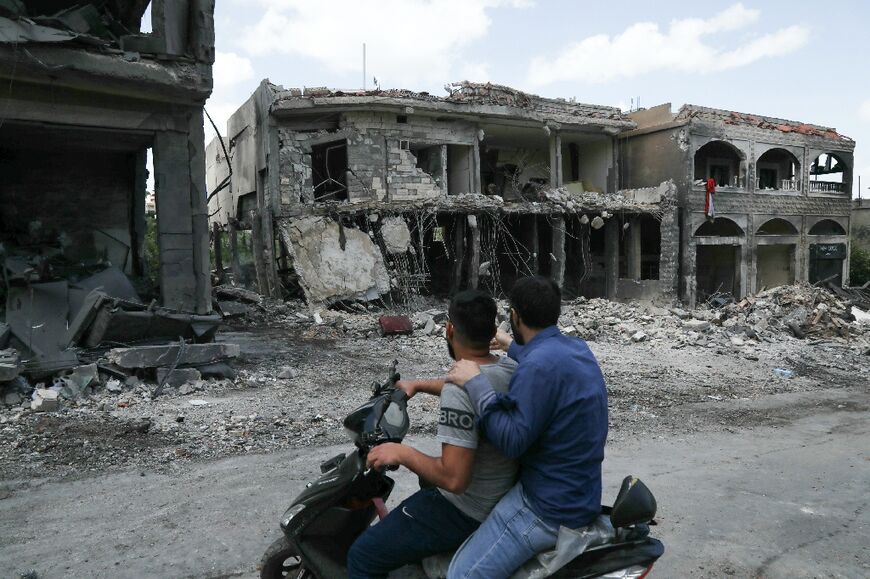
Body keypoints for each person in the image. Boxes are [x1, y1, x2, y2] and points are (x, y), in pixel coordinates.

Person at [346, 290, 519, 579]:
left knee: (363, 556)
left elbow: (454, 479)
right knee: (425, 481)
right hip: (501, 492)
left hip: (467, 509)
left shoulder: (459, 391)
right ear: (492, 330)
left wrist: (402, 453)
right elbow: (470, 387)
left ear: (450, 329)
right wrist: (418, 385)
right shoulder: (509, 368)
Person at [446, 275, 609, 579]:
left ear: (515, 315)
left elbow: (512, 441)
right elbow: (540, 357)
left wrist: (476, 383)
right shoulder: (576, 349)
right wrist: (510, 344)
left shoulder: (536, 367)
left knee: (462, 575)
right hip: (581, 496)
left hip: (545, 508)